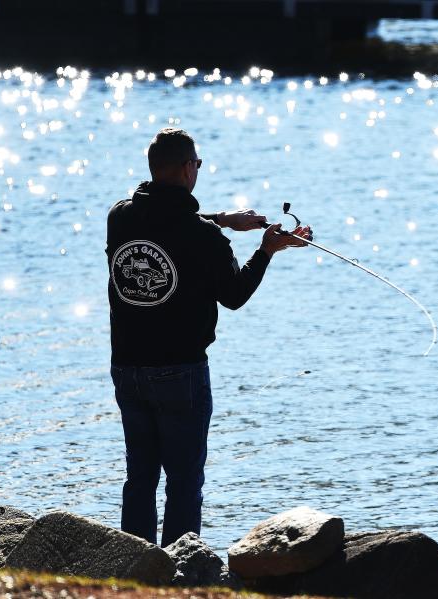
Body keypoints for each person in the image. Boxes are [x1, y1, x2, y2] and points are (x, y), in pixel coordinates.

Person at [106, 127, 311, 546]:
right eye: (197, 163)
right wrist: (265, 251)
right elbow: (234, 296)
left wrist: (224, 219)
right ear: (186, 168)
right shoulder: (202, 237)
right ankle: (181, 576)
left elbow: (167, 218)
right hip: (180, 373)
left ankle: (132, 574)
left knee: (139, 479)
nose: (197, 169)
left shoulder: (120, 216)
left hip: (127, 369)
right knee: (183, 482)